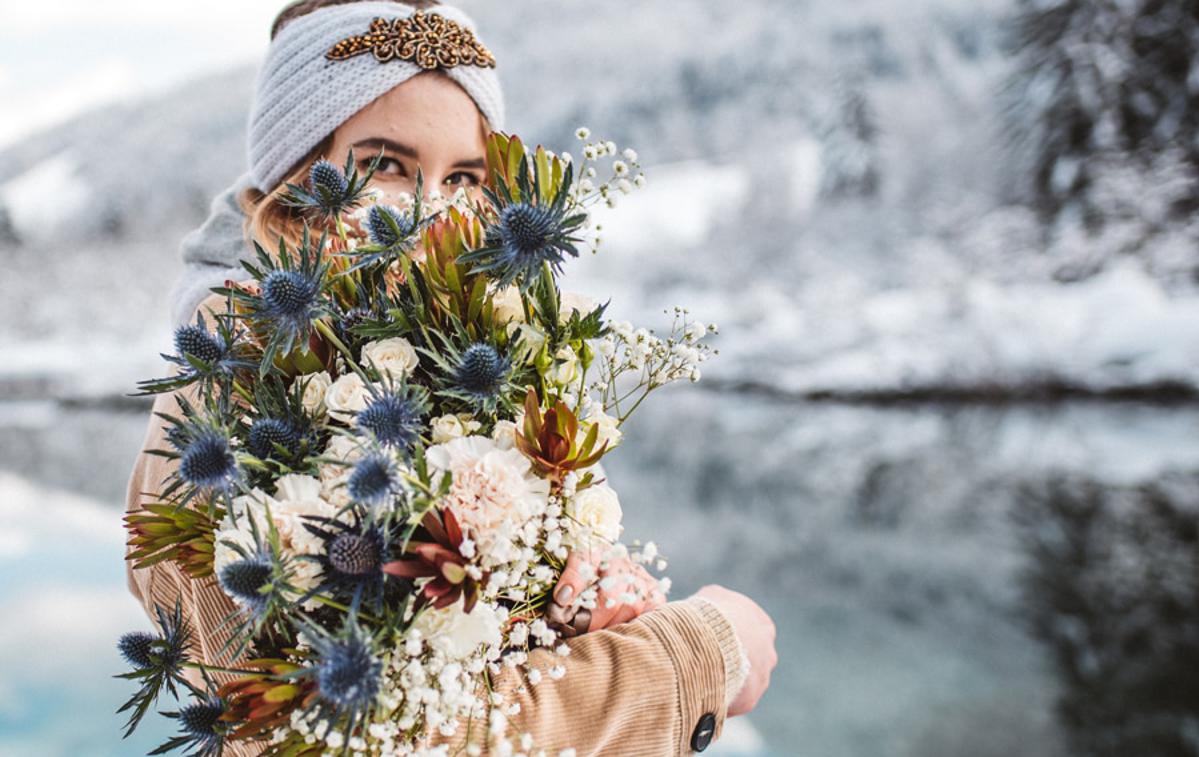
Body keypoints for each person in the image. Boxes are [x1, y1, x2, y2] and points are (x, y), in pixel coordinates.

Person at [125, 1, 777, 754]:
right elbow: (360, 738)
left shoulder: (456, 351)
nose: (433, 210)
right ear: (299, 179)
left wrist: (576, 606)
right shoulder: (232, 392)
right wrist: (694, 658)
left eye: (463, 176)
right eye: (387, 165)